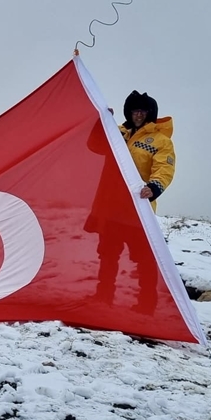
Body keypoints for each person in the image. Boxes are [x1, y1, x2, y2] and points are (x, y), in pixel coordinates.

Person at [86, 90, 176, 312]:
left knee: (144, 258)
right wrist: (102, 122)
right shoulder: (118, 134)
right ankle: (103, 297)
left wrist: (154, 187)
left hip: (137, 210)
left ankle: (147, 304)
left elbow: (164, 167)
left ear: (150, 113)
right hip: (111, 207)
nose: (138, 115)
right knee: (108, 254)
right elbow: (95, 145)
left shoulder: (160, 141)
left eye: (142, 111)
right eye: (135, 111)